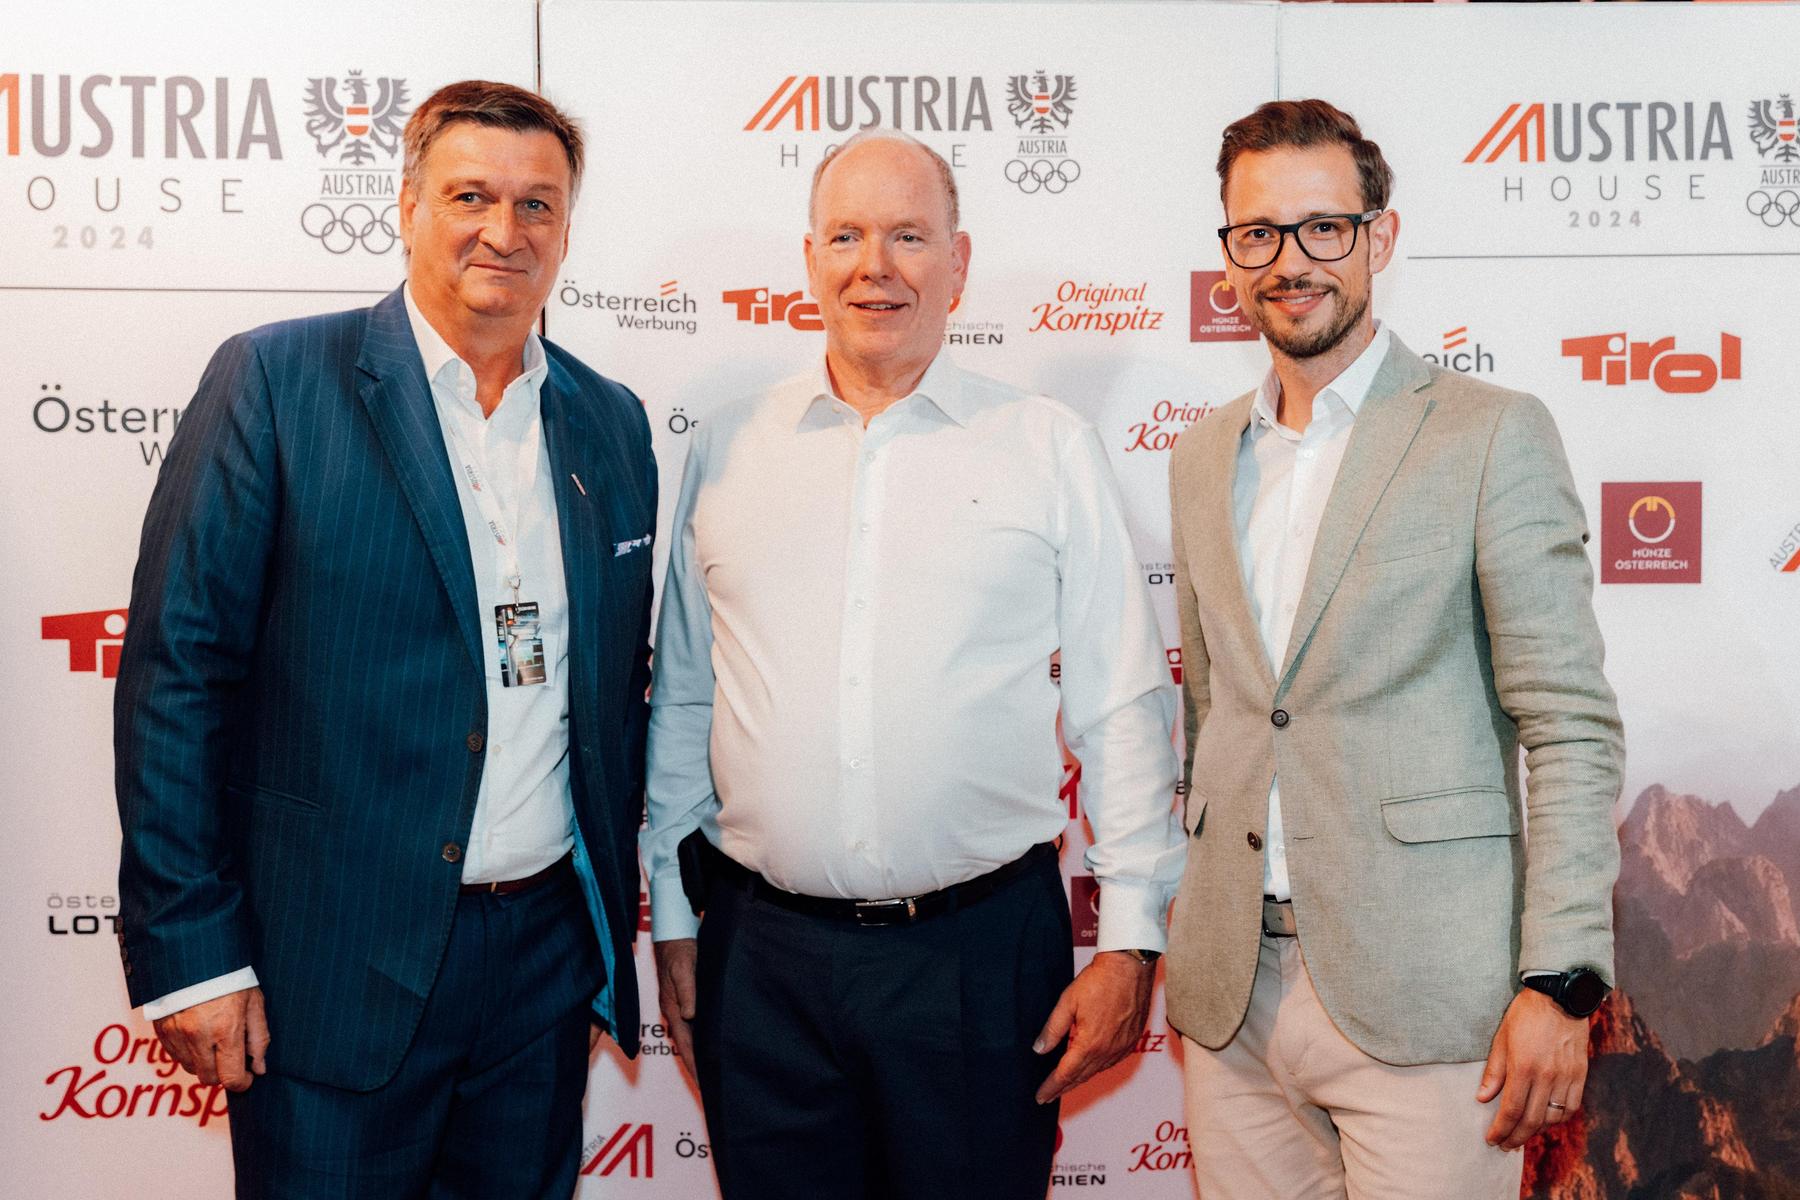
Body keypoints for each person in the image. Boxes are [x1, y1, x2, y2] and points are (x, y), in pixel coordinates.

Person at [113, 80, 655, 1198]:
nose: (504, 232)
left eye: (538, 206)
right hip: (330, 969)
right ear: (405, 205)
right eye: (470, 195)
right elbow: (178, 676)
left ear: (567, 228)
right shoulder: (277, 381)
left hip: (542, 970)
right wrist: (193, 952)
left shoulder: (611, 419)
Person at [643, 127, 1184, 1200]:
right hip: (764, 961)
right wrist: (671, 909)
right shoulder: (727, 447)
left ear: (959, 262)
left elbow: (1121, 704)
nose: (872, 266)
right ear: (809, 264)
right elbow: (688, 695)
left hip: (981, 961)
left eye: (907, 236)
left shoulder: (1044, 444)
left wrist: (1128, 939)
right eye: (844, 236)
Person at [1164, 97, 1624, 1200]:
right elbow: (1219, 708)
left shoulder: (1491, 431)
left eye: (1323, 226)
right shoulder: (1198, 454)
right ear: (1229, 256)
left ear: (1380, 235)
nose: (1290, 261)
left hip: (1430, 999)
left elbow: (1568, 723)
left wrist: (1560, 981)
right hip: (1233, 996)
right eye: (1257, 234)